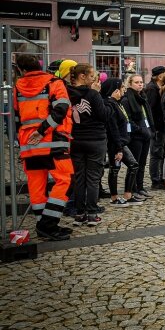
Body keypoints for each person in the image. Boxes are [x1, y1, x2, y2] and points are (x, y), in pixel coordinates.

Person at [13, 54, 74, 240]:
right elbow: (61, 109)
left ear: (21, 70)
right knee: (66, 180)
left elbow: (16, 119)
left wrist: (22, 140)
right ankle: (48, 224)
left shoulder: (17, 88)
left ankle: (44, 225)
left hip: (29, 144)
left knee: (37, 186)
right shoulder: (53, 82)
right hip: (53, 142)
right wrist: (42, 130)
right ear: (39, 66)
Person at [67, 63, 108, 226]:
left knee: (79, 177)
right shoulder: (93, 94)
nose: (94, 80)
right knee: (92, 177)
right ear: (82, 76)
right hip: (95, 139)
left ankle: (79, 213)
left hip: (75, 139)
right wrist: (99, 95)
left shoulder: (66, 93)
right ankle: (91, 213)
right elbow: (104, 115)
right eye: (92, 76)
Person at [101, 78, 143, 207]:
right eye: (121, 88)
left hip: (122, 142)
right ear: (115, 90)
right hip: (116, 143)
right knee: (117, 168)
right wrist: (119, 148)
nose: (123, 90)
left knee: (130, 166)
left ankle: (127, 195)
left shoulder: (117, 103)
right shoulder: (110, 104)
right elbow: (113, 128)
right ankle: (114, 198)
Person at [121, 74, 154, 198]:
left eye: (141, 82)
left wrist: (150, 129)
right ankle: (132, 188)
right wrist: (140, 129)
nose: (140, 84)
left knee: (142, 163)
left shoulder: (142, 97)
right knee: (134, 163)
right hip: (136, 136)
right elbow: (128, 119)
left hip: (146, 133)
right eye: (136, 82)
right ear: (130, 84)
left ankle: (140, 187)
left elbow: (147, 115)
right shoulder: (127, 99)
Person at [145, 66, 165, 190]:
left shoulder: (158, 87)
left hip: (161, 125)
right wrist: (154, 127)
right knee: (156, 153)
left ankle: (160, 177)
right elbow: (151, 109)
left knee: (161, 152)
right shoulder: (152, 89)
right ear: (160, 76)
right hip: (157, 126)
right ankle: (155, 180)